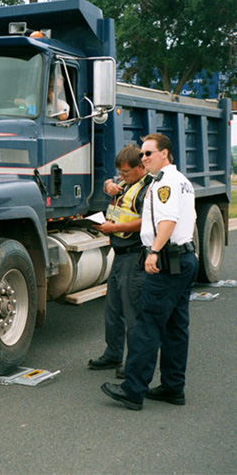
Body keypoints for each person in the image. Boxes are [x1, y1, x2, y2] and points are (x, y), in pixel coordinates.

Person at [101, 133, 198, 411]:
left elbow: (167, 220)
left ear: (164, 154)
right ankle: (172, 387)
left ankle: (133, 389)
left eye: (148, 153)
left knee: (147, 325)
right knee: (176, 327)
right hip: (185, 259)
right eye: (142, 154)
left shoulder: (165, 182)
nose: (144, 158)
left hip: (167, 261)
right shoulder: (182, 181)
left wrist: (154, 251)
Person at [89, 145, 151, 378]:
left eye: (125, 172)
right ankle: (113, 354)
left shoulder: (146, 189)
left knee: (132, 312)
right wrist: (109, 185)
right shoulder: (127, 183)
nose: (121, 177)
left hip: (134, 256)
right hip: (119, 253)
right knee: (112, 309)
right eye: (120, 173)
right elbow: (110, 183)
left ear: (140, 167)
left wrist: (115, 227)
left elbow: (146, 221)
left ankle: (133, 362)